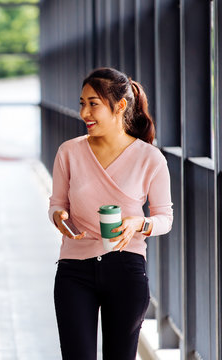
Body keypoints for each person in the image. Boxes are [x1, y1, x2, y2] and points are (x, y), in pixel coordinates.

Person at [49, 67, 173, 360]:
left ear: (120, 106)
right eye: (82, 103)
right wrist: (58, 217)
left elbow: (164, 219)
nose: (85, 113)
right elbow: (56, 204)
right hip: (74, 271)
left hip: (127, 270)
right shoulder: (69, 152)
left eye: (94, 104)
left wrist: (139, 223)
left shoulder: (150, 158)